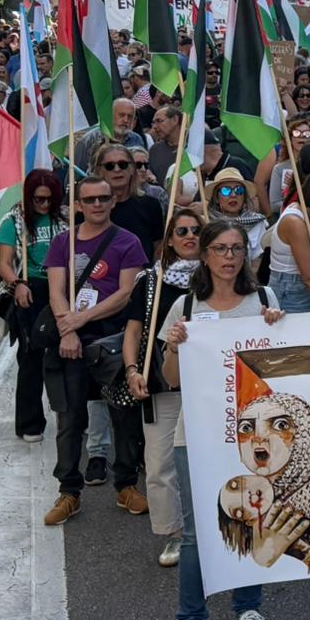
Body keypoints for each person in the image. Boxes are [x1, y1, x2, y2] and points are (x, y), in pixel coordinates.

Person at [160, 218, 283, 620]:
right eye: (220, 250)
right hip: (196, 435)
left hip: (253, 438)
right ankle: (191, 619)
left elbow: (280, 368)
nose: (229, 258)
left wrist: (277, 327)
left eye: (236, 249)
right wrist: (175, 345)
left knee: (251, 522)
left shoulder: (264, 299)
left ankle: (248, 608)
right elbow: (172, 378)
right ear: (205, 255)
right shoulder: (187, 307)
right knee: (197, 534)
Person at [41, 174, 149, 526]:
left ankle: (127, 485)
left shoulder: (128, 242)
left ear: (112, 201)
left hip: (112, 339)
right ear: (78, 205)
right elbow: (56, 291)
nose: (97, 205)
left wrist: (80, 319)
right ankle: (69, 492)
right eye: (90, 200)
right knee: (70, 419)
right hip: (70, 340)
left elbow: (125, 293)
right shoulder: (62, 242)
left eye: (103, 198)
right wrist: (66, 329)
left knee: (124, 415)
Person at [122, 206, 203, 568]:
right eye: (181, 231)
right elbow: (135, 330)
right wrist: (132, 370)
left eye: (195, 231)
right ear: (169, 240)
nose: (189, 237)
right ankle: (175, 535)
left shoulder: (220, 279)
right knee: (159, 464)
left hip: (210, 386)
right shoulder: (150, 281)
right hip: (161, 385)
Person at [0, 169, 67, 442]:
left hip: (62, 287)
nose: (45, 205)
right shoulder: (13, 221)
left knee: (67, 354)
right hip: (30, 288)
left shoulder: (64, 217)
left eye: (50, 199)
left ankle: (73, 416)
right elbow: (4, 263)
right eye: (39, 199)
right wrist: (18, 284)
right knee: (30, 357)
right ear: (29, 197)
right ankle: (29, 422)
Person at [266, 164, 310, 313]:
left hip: (298, 287)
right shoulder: (295, 222)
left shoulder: (308, 216)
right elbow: (309, 278)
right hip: (290, 290)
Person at [95, 142, 166, 261]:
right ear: (100, 171)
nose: (117, 170)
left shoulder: (151, 205)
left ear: (132, 169)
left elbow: (157, 248)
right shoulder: (92, 206)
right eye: (109, 166)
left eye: (123, 164)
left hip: (141, 276)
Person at [206, 167, 269, 262]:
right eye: (226, 190)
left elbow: (260, 260)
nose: (233, 195)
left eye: (239, 190)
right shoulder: (207, 223)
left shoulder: (258, 223)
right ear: (216, 198)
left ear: (244, 197)